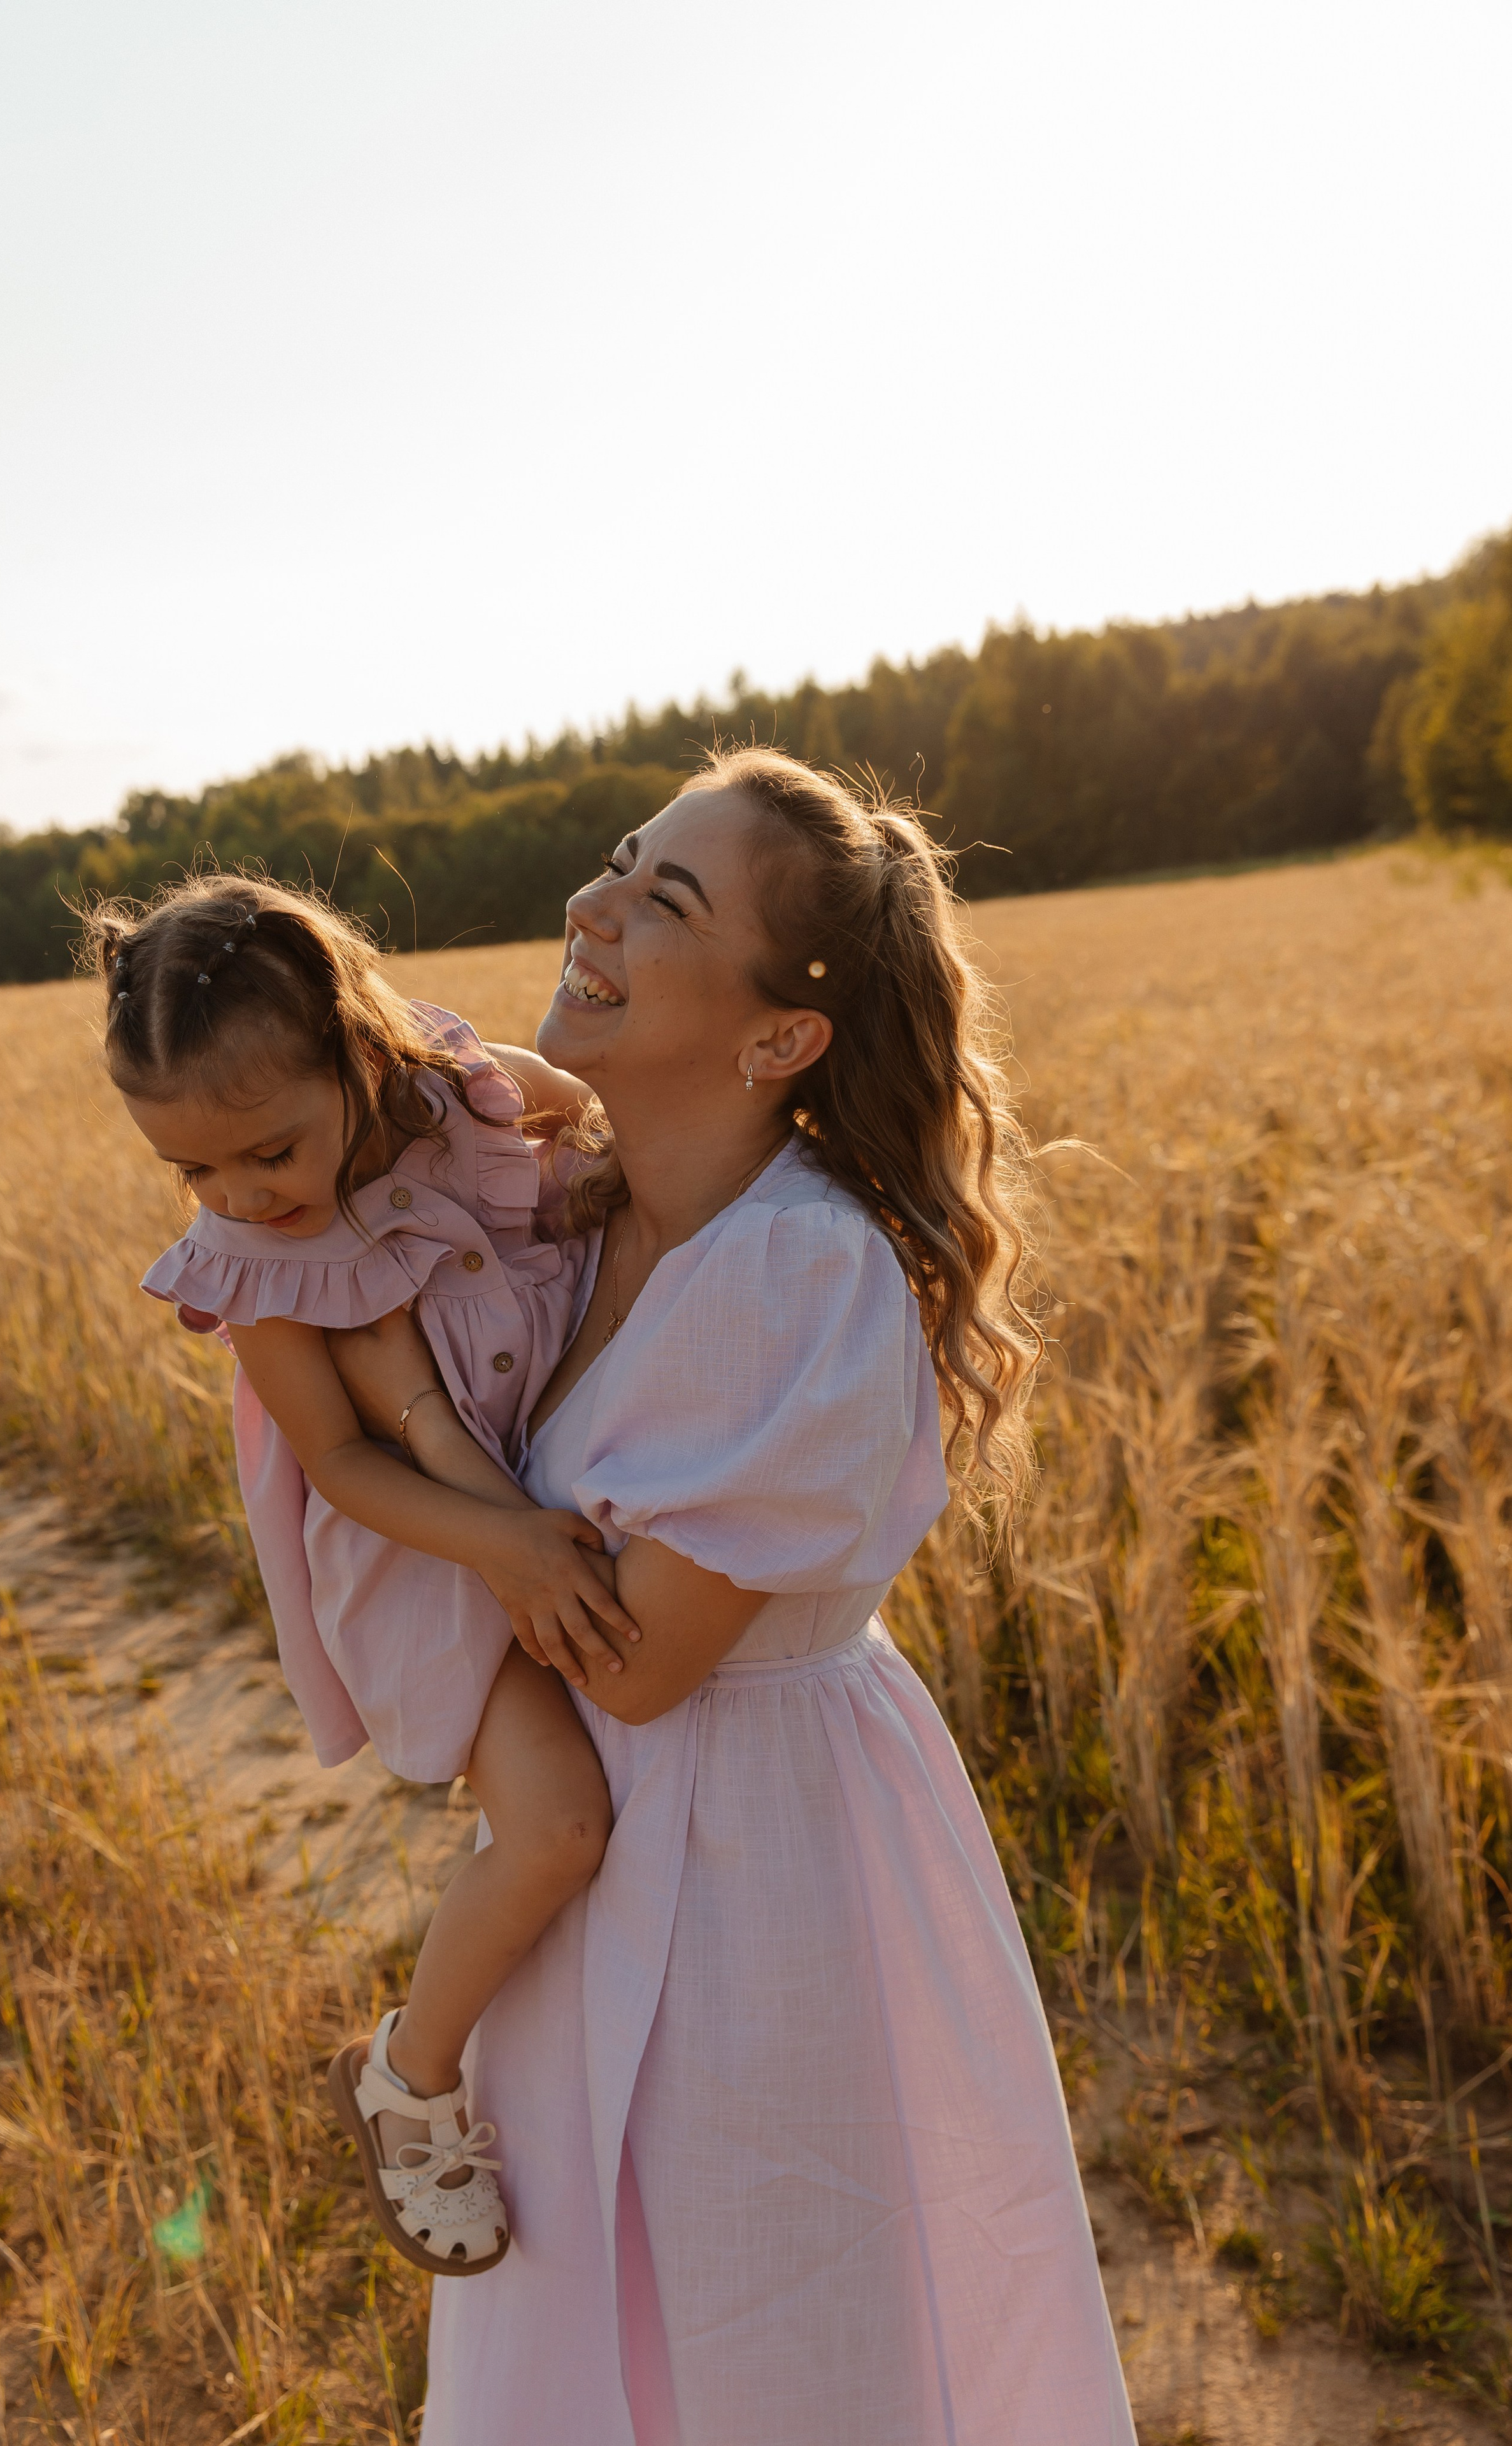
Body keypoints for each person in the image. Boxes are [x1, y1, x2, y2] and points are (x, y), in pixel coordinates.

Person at [328, 750, 1136, 2445]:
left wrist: (434, 1509)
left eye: (663, 898)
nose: (590, 905)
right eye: (621, 861)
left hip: (758, 1859)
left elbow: (634, 1665)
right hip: (602, 1863)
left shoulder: (801, 1262)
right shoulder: (583, 1213)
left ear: (781, 1039)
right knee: (594, 2326)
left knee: (761, 2329)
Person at [89, 875, 639, 2279]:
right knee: (558, 1832)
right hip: (432, 1559)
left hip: (565, 1483)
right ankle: (412, 2074)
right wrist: (504, 1544)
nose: (233, 1197)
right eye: (190, 1173)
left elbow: (598, 1145)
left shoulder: (473, 1099)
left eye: (264, 1151)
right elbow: (338, 1461)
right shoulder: (251, 1258)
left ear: (353, 1048)